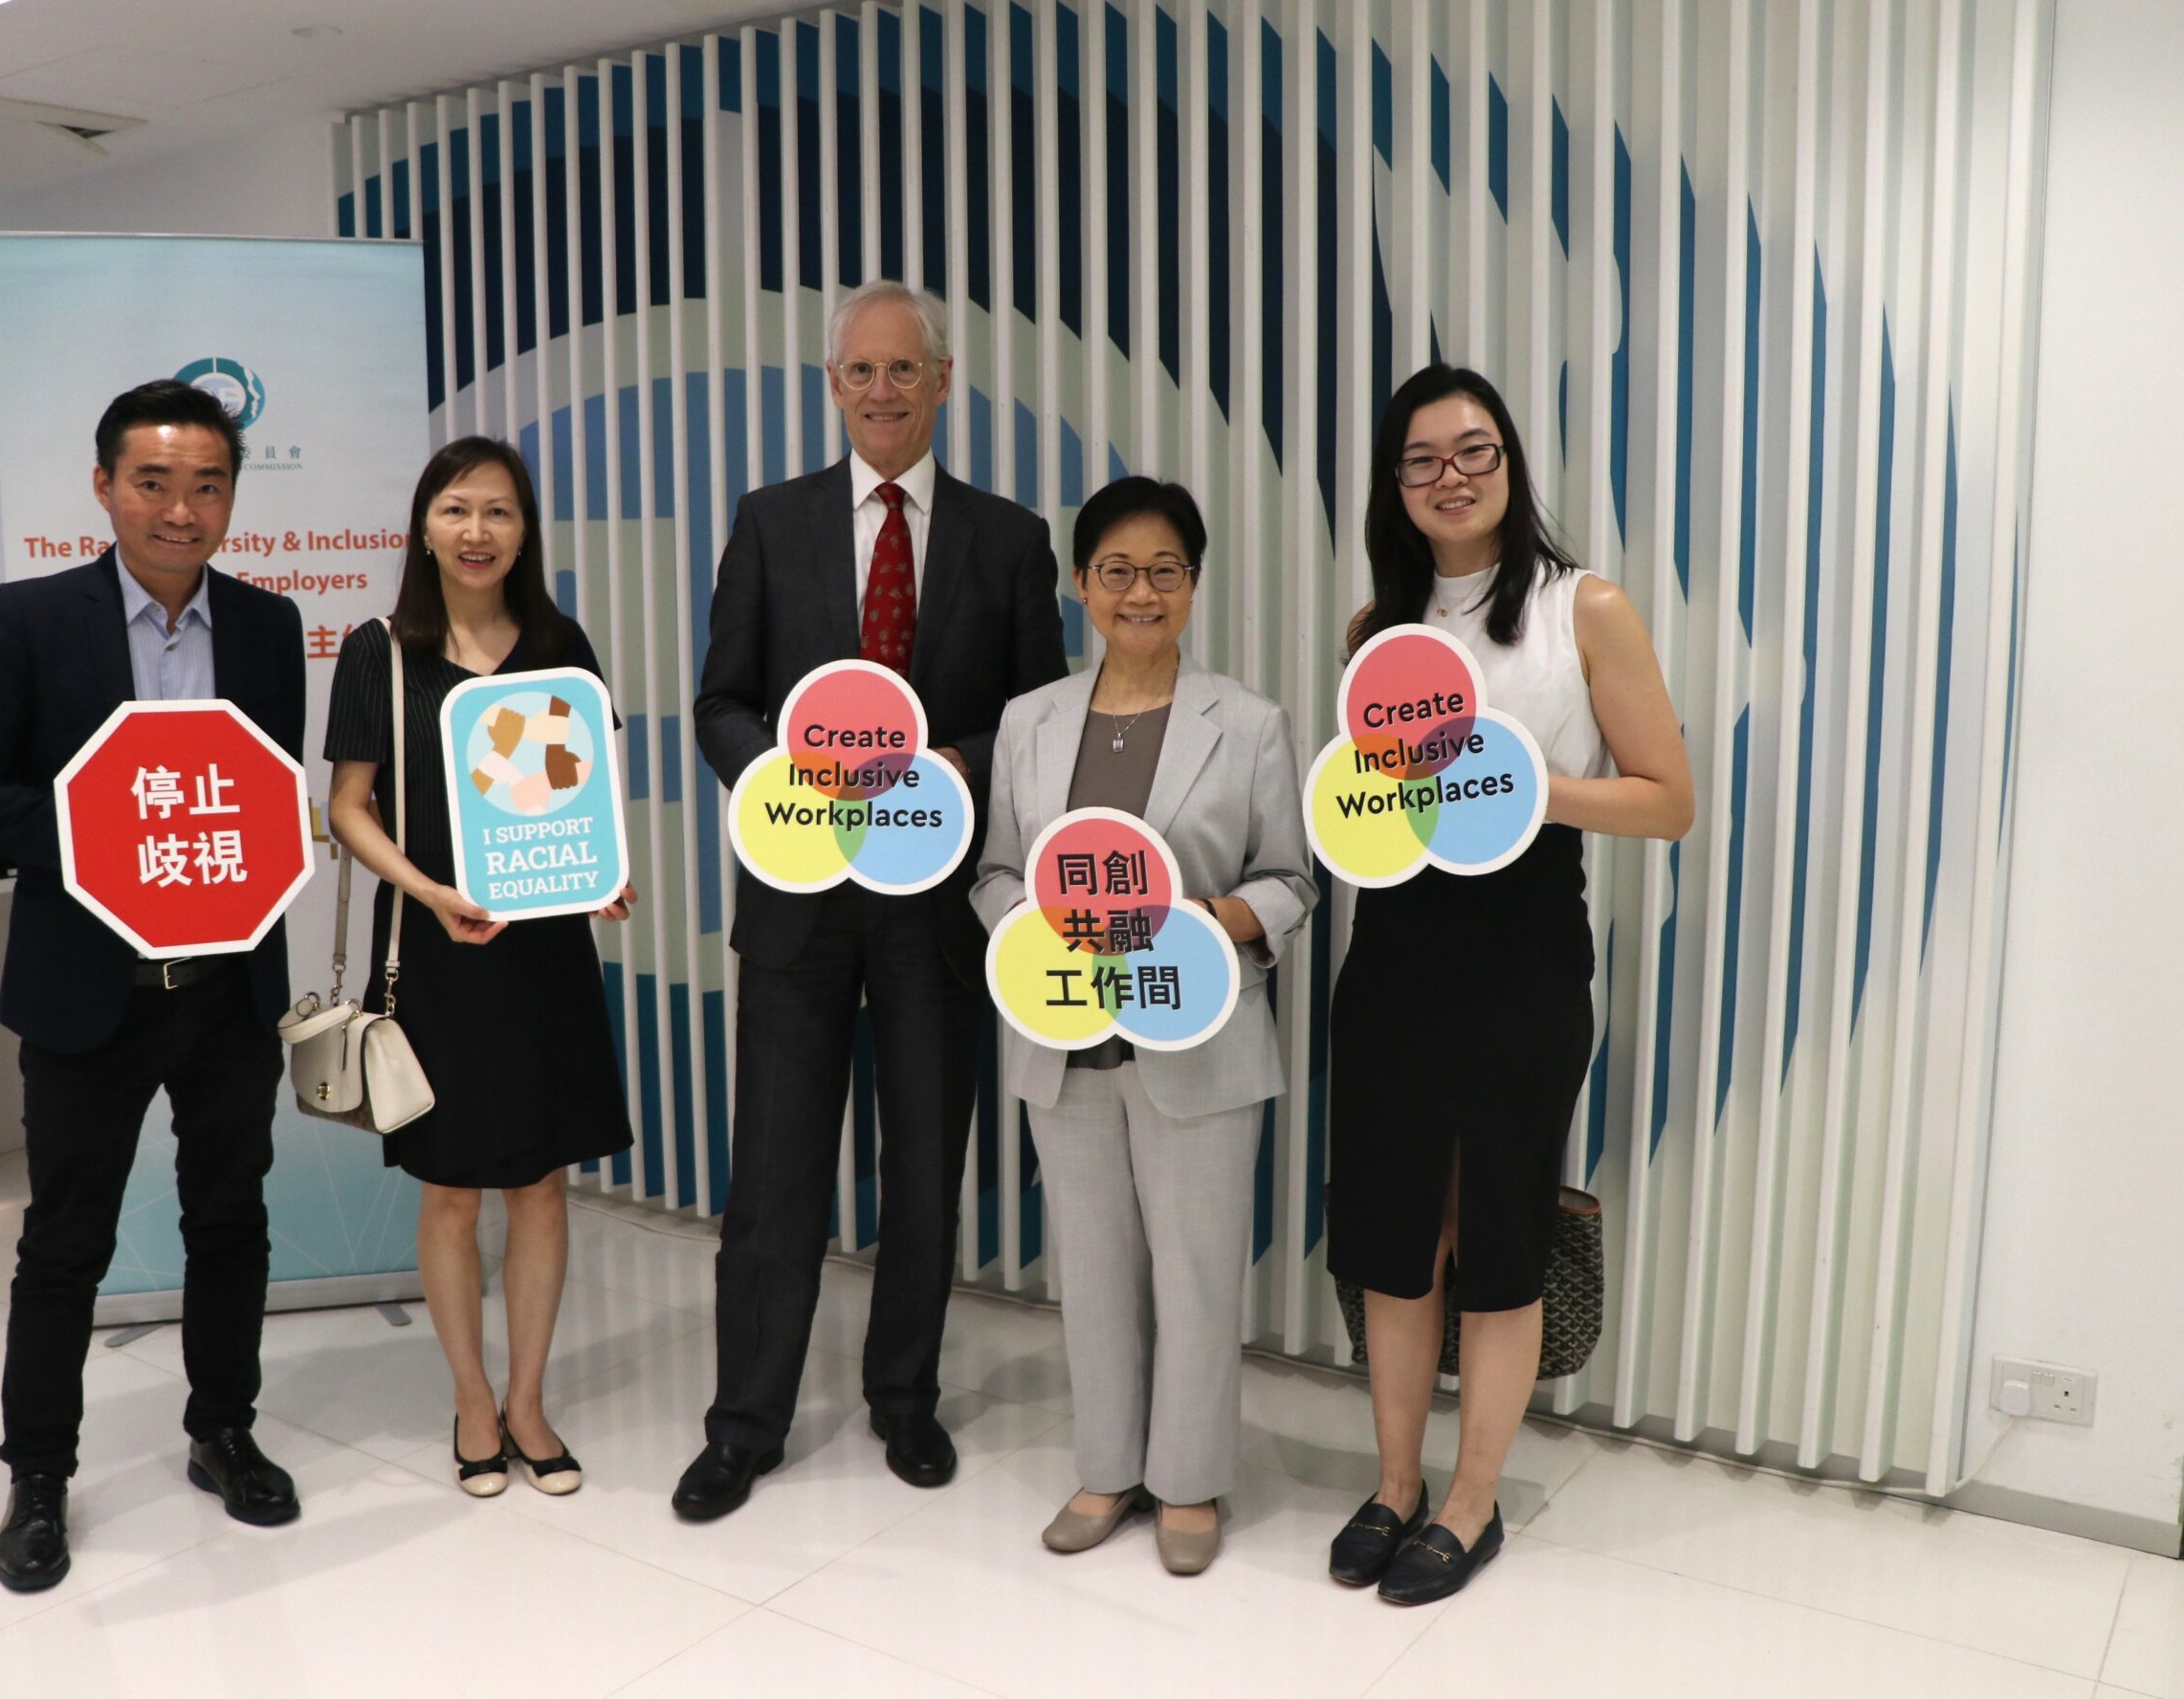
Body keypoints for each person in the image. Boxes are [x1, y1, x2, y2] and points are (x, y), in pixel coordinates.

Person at [679, 278, 1070, 1519]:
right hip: (799, 903)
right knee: (776, 1178)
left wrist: (957, 764)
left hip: (936, 906)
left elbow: (1039, 715)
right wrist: (791, 781)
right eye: (862, 372)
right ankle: (745, 1423)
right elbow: (719, 704)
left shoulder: (1007, 539)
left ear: (944, 383)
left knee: (922, 1175)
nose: (884, 392)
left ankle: (905, 1401)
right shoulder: (772, 520)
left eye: (907, 371)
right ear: (833, 385)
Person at [0, 379, 308, 1593]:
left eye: (207, 485)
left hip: (228, 986)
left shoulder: (264, 623)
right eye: (154, 482)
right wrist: (95, 827)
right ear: (104, 488)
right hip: (89, 987)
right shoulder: (33, 620)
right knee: (65, 1242)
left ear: (232, 497)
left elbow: (262, 797)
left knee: (230, 1218)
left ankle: (222, 1431)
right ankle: (38, 1476)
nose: (181, 510)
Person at [1323, 364, 1691, 1603]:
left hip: (1524, 949)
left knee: (1495, 1235)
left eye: (1473, 450)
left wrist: (1519, 784)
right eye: (1421, 458)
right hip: (1393, 952)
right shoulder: (1381, 632)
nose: (1450, 475)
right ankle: (1394, 1483)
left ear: (1510, 462)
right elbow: (1372, 809)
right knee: (1392, 1235)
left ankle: (1471, 1504)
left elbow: (1669, 800)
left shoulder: (1585, 607)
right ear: (1397, 484)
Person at [972, 477, 1315, 1576]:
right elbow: (991, 872)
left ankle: (1188, 1482)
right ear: (1080, 583)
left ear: (1194, 585)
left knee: (1199, 1268)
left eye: (1164, 570)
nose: (1140, 590)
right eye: (1115, 570)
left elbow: (1292, 883)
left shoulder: (1249, 722)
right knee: (1095, 1267)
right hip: (1063, 1037)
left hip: (1197, 1037)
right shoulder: (1030, 721)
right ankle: (1108, 1465)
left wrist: (1207, 919)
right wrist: (1030, 924)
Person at [324, 437, 636, 1499]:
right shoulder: (381, 648)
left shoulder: (559, 643)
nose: (476, 531)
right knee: (453, 1190)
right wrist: (429, 890)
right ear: (424, 525)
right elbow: (346, 809)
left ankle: (530, 1400)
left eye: (498, 511)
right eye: (456, 509)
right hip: (437, 949)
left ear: (523, 530)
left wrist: (599, 872)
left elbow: (582, 795)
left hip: (543, 949)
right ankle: (470, 1397)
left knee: (541, 1183)